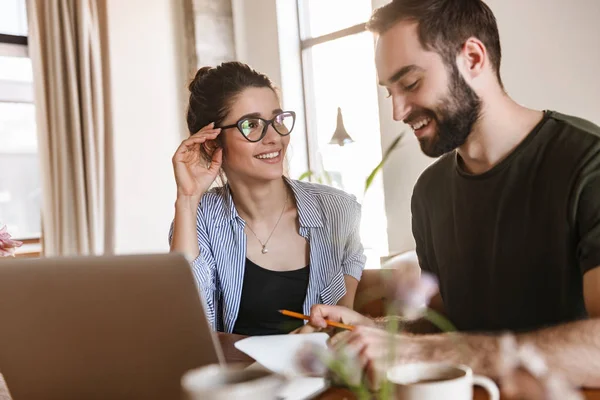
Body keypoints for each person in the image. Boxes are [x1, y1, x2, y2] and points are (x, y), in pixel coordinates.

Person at [306, 0, 600, 388]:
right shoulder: (430, 193)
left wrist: (427, 352)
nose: (398, 111)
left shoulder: (587, 163)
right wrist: (378, 333)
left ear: (473, 58)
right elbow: (446, 325)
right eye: (389, 91)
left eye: (410, 83)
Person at [168, 62, 366, 335]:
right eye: (251, 124)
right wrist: (187, 199)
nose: (274, 137)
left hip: (315, 374)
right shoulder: (198, 217)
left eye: (278, 120)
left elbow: (344, 330)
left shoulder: (339, 211)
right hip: (236, 375)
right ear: (213, 142)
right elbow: (186, 324)